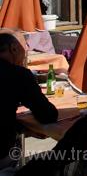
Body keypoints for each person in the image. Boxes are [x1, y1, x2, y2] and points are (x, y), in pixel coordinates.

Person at [0, 32, 58, 172]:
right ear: (14, 49)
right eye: (25, 52)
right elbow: (48, 114)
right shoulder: (17, 74)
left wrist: (22, 127)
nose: (26, 57)